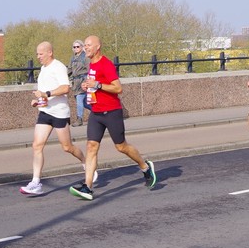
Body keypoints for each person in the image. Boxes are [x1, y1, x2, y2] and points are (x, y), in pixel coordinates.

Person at [69, 36, 156, 200]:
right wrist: (87, 86)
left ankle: (145, 167)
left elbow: (118, 88)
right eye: (84, 45)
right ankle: (88, 187)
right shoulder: (91, 64)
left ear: (97, 47)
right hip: (96, 113)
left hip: (111, 112)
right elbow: (95, 84)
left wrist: (97, 85)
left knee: (121, 147)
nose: (85, 48)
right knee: (91, 147)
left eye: (88, 45)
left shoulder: (106, 64)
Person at [20, 41, 86, 196]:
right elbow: (44, 93)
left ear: (49, 52)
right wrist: (38, 101)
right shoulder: (43, 69)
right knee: (37, 145)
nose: (38, 57)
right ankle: (36, 182)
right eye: (37, 54)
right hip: (45, 112)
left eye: (41, 54)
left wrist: (46, 94)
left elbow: (65, 88)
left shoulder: (58, 67)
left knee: (67, 147)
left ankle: (86, 162)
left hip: (59, 113)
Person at [67, 39, 89, 127]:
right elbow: (69, 70)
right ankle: (99, 112)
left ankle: (79, 119)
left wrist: (87, 82)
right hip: (75, 82)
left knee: (80, 99)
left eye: (78, 46)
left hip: (83, 81)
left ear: (82, 47)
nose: (76, 48)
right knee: (84, 103)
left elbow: (89, 69)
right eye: (74, 47)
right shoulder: (73, 58)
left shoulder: (85, 57)